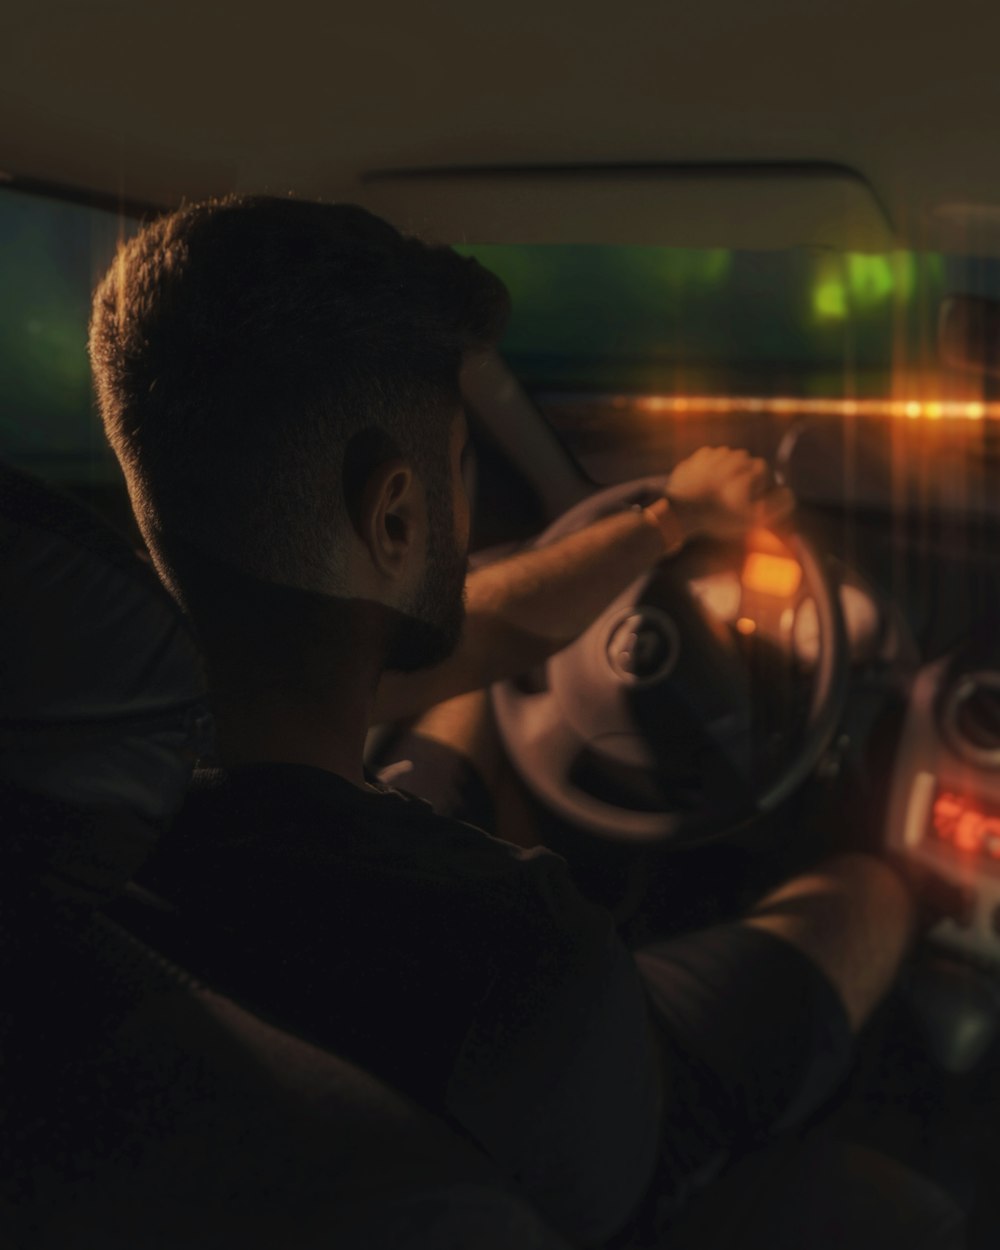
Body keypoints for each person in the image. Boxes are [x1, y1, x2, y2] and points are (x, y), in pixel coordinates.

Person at [90, 196, 932, 1247]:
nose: (464, 501)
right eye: (458, 466)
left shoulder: (76, 714)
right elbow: (638, 1151)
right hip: (556, 1115)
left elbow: (478, 634)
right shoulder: (523, 952)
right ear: (393, 515)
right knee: (866, 890)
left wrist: (667, 518)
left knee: (468, 687)